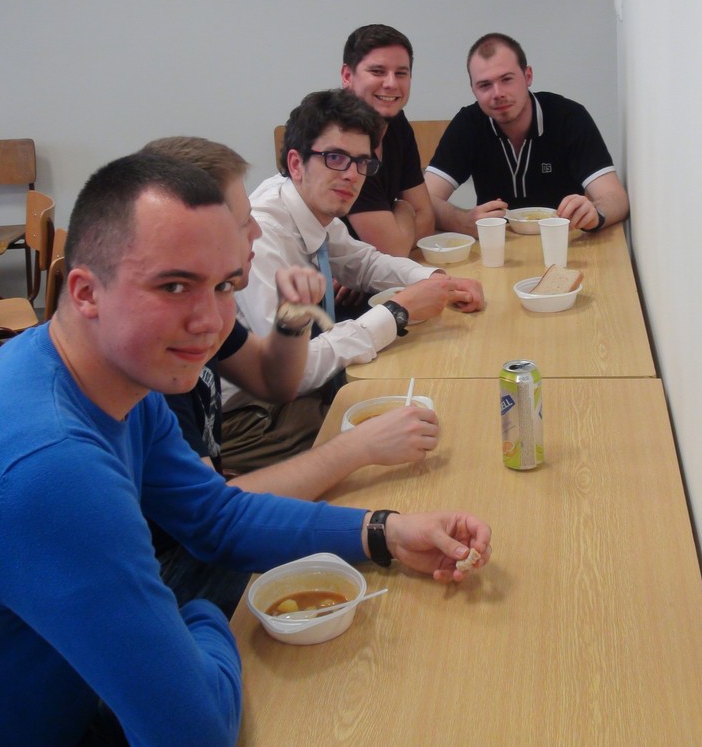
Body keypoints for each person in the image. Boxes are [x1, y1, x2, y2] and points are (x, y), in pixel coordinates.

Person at [0, 152, 491, 747]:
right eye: (173, 286)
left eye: (226, 285)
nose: (209, 321)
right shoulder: (53, 468)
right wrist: (198, 616)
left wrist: (385, 530)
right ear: (85, 291)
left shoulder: (117, 378)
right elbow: (193, 738)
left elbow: (215, 515)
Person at [141, 136, 441, 617]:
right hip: (170, 571)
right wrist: (359, 450)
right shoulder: (151, 358)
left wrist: (291, 321)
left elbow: (274, 381)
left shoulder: (200, 309)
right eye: (243, 222)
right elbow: (217, 521)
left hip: (200, 521)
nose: (257, 231)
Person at [224, 89, 484, 472]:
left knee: (429, 410)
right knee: (427, 432)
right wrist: (396, 313)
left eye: (362, 162)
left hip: (297, 395)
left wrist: (436, 279)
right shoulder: (263, 235)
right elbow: (292, 373)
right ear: (296, 163)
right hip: (251, 418)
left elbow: (364, 263)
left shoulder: (309, 208)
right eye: (335, 158)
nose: (351, 174)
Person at [424, 32, 630, 236]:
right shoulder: (468, 124)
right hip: (498, 246)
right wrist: (461, 221)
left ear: (528, 76)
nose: (498, 93)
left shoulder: (569, 117)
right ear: (473, 90)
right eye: (485, 85)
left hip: (565, 241)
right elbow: (425, 200)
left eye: (507, 79)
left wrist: (595, 213)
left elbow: (617, 198)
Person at [340, 23, 435, 256]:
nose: (391, 83)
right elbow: (393, 250)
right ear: (347, 76)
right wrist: (403, 207)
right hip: (319, 275)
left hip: (371, 270)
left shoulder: (397, 123)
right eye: (377, 71)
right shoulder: (341, 139)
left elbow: (427, 219)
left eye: (401, 73)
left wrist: (396, 235)